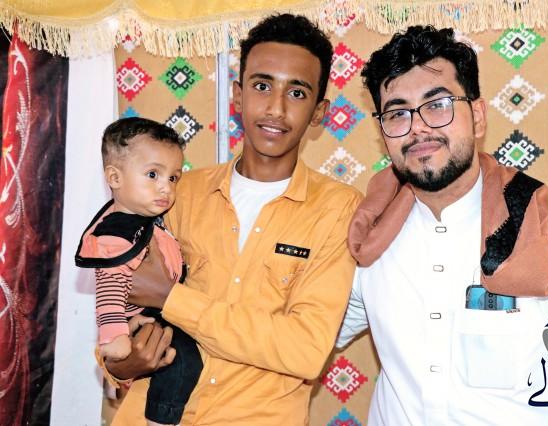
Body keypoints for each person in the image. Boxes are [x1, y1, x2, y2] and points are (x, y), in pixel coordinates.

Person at [337, 26, 548, 425]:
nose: (418, 127)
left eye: (437, 104)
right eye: (398, 113)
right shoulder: (371, 237)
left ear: (477, 117)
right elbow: (318, 332)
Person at [104, 14, 362, 425]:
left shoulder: (338, 209)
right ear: (238, 95)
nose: (276, 109)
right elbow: (119, 299)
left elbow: (305, 351)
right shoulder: (176, 194)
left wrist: (172, 299)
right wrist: (120, 364)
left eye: (297, 92)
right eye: (262, 86)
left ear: (319, 112)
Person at [74, 117, 202, 426]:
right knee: (184, 360)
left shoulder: (144, 222)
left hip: (158, 312)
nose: (166, 187)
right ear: (114, 177)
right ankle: (160, 420)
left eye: (173, 178)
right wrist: (114, 335)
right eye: (153, 174)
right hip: (146, 317)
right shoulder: (118, 232)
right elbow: (110, 285)